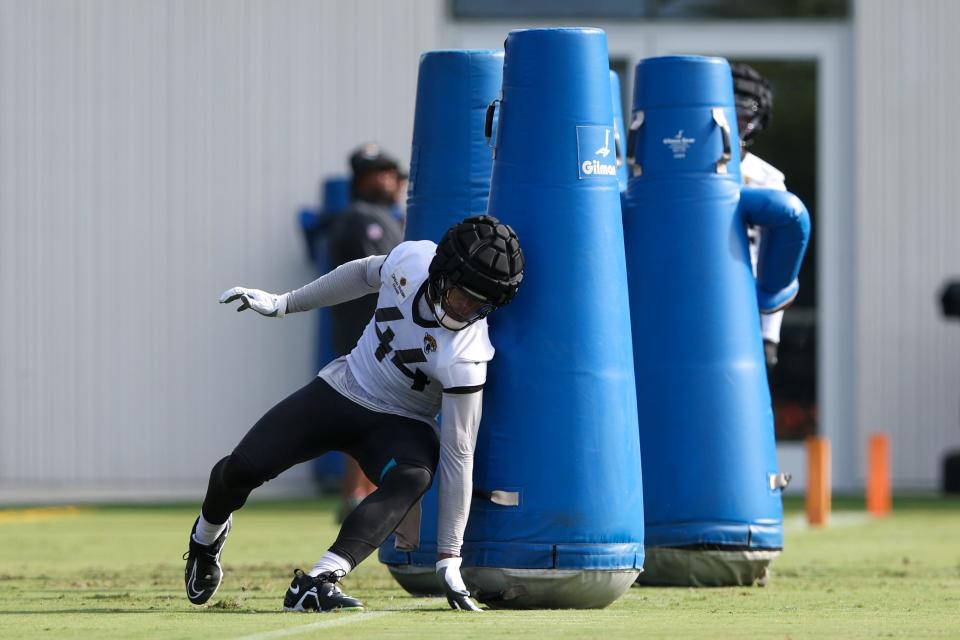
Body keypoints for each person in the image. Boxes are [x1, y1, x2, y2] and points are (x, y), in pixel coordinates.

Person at [183, 215, 525, 613]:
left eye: (479, 303)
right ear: (441, 271)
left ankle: (320, 579)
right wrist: (285, 303)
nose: (466, 309)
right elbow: (361, 274)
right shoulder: (411, 261)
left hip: (402, 424)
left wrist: (450, 556)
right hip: (344, 388)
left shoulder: (467, 356)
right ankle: (205, 540)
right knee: (239, 469)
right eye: (461, 295)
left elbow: (459, 455)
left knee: (414, 474)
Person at [329, 144, 407, 518]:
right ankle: (357, 496)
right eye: (383, 172)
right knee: (366, 416)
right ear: (363, 178)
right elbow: (387, 276)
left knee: (376, 417)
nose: (392, 179)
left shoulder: (387, 216)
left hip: (379, 336)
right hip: (367, 336)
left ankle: (362, 495)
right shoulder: (362, 218)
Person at [732, 62, 786, 374]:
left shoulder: (767, 180)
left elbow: (778, 265)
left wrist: (769, 334)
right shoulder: (675, 173)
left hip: (744, 306)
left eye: (741, 113)